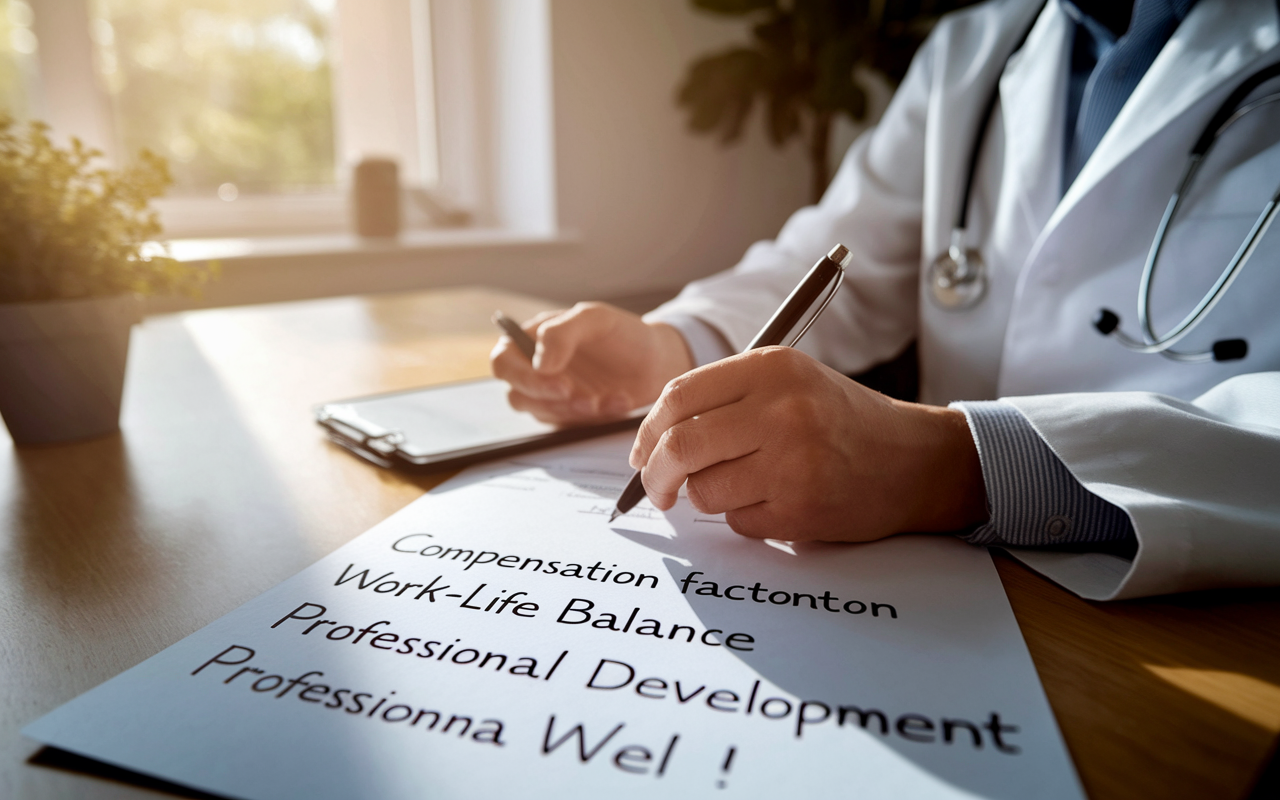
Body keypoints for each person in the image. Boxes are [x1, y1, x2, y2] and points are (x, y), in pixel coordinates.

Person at [491, 0, 1280, 601]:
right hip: (944, 583)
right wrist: (672, 346)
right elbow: (836, 259)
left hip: (1211, 615)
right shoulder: (977, 46)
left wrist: (948, 467)